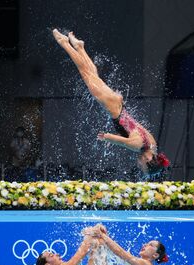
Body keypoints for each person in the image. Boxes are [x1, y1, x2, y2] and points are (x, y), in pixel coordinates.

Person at [52, 29, 170, 178]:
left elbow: (130, 134)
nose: (138, 165)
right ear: (148, 159)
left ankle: (79, 47)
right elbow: (122, 141)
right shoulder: (138, 145)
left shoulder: (153, 145)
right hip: (113, 107)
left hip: (119, 105)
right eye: (142, 167)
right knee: (85, 73)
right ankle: (64, 42)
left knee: (93, 75)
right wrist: (107, 137)